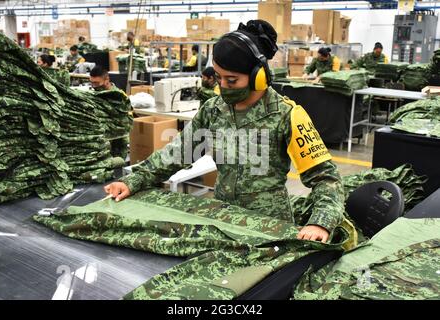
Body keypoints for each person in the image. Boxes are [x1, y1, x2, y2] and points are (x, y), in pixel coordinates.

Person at [104, 20, 345, 243]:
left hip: (269, 227)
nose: (223, 86)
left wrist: (320, 223)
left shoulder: (287, 115)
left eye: (231, 80)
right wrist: (134, 179)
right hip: (223, 219)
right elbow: (178, 153)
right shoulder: (213, 111)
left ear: (258, 77)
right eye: (219, 78)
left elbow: (326, 178)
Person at [90, 66, 131, 159]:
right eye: (91, 82)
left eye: (96, 83)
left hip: (117, 142)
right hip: (101, 141)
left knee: (117, 169)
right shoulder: (96, 93)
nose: (93, 86)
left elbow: (127, 122)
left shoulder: (119, 97)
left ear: (106, 80)